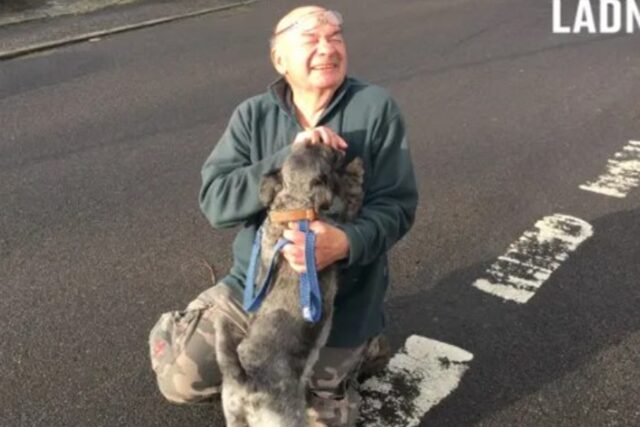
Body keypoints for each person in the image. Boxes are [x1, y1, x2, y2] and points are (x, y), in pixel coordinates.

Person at [149, 5, 418, 426]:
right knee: (182, 379)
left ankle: (363, 345)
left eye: (335, 37)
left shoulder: (375, 108)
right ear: (280, 59)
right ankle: (191, 326)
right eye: (311, 39)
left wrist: (344, 243)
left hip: (339, 300)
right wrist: (288, 156)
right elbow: (216, 202)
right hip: (255, 289)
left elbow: (398, 206)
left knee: (315, 415)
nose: (327, 48)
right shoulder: (252, 115)